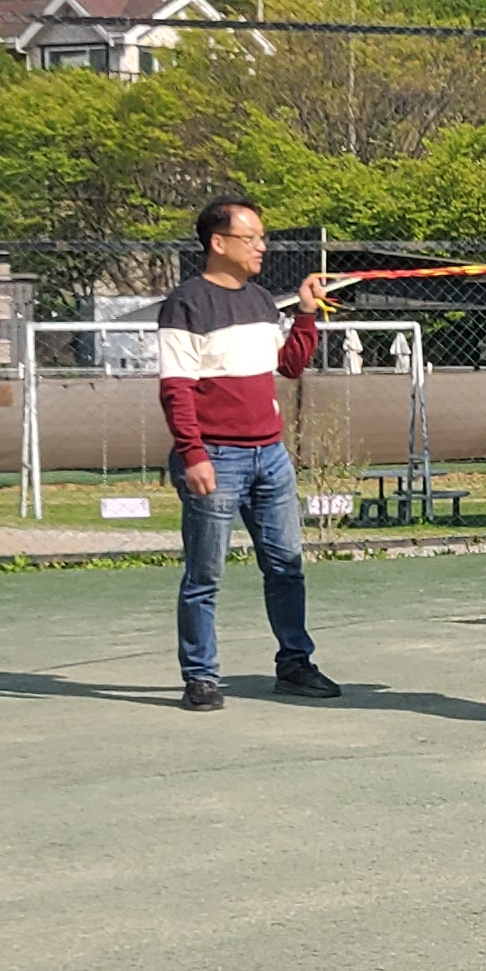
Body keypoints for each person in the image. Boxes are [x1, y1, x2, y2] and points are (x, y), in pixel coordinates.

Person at [155, 197, 340, 711]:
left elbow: (290, 366)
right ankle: (200, 677)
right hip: (215, 458)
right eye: (252, 237)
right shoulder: (186, 304)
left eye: (262, 237)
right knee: (205, 574)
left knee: (286, 566)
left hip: (270, 456)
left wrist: (305, 313)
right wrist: (193, 455)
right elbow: (176, 389)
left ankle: (295, 665)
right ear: (218, 243)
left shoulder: (261, 301)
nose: (262, 246)